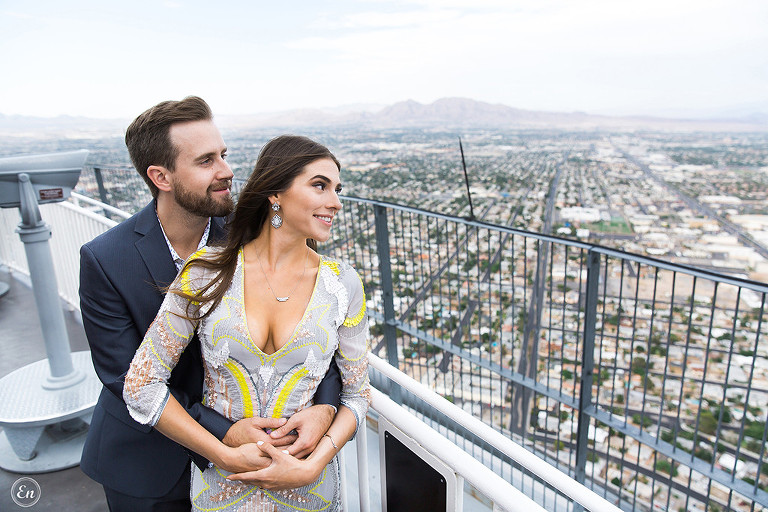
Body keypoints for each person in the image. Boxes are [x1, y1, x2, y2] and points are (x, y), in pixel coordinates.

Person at [79, 98, 341, 511]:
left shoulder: (257, 234)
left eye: (224, 155)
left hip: (256, 463)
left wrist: (325, 407)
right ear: (161, 176)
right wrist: (224, 433)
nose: (227, 171)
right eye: (206, 161)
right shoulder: (105, 259)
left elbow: (316, 329)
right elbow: (123, 376)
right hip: (147, 463)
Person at [123, 134, 370, 511]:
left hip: (309, 492)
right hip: (223, 491)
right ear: (275, 193)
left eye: (337, 189)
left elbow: (357, 395)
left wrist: (313, 465)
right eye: (320, 185)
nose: (335, 202)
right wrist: (221, 454)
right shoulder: (205, 273)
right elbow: (141, 385)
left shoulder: (343, 285)